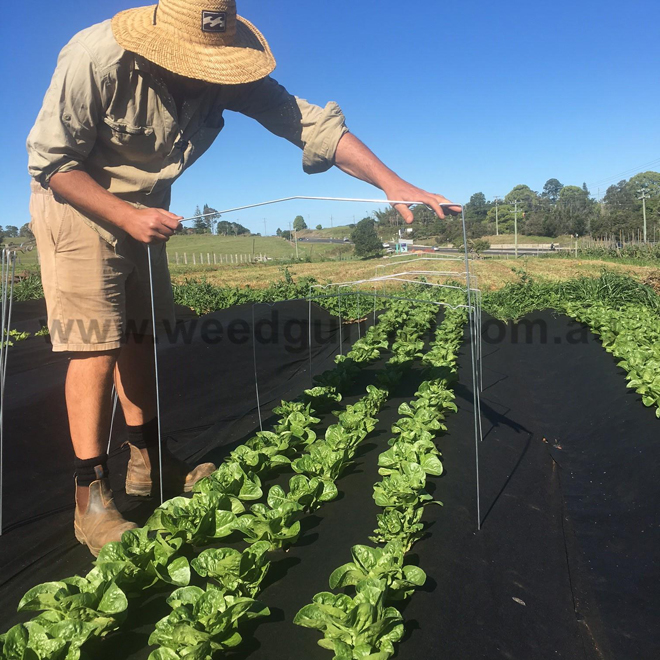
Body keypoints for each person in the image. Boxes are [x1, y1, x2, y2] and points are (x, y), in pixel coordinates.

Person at [26, 0, 459, 557]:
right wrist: (125, 215)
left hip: (146, 209)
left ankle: (148, 461)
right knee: (95, 342)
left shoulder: (224, 68)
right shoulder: (96, 57)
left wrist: (393, 183)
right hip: (77, 201)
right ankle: (90, 495)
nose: (208, 72)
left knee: (140, 334)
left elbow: (306, 122)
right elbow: (53, 162)